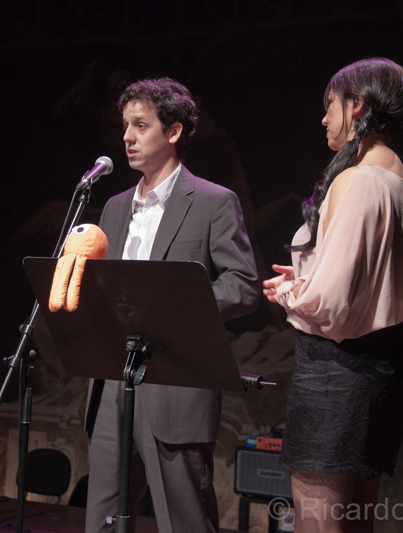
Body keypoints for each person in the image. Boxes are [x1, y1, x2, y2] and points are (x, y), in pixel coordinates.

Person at [262, 58, 403, 532]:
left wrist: (293, 292)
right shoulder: (401, 180)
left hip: (341, 373)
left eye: (330, 105)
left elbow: (334, 303)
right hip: (384, 366)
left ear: (356, 106)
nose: (324, 118)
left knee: (319, 524)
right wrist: (306, 281)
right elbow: (374, 285)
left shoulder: (357, 181)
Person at [84, 78, 261, 533]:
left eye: (140, 126)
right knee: (102, 521)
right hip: (111, 382)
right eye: (126, 126)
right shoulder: (114, 208)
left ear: (174, 132)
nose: (128, 137)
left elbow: (242, 285)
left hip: (176, 387)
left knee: (183, 521)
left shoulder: (213, 202)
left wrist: (169, 307)